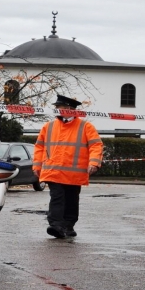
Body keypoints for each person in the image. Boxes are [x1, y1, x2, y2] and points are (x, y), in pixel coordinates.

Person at [33, 94, 103, 238]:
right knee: (57, 197)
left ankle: (68, 226)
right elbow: (39, 147)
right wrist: (37, 166)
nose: (57, 110)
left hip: (74, 174)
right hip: (53, 171)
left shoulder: (86, 126)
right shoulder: (48, 126)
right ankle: (56, 225)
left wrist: (94, 163)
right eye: (57, 108)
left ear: (70, 109)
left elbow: (96, 145)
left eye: (59, 107)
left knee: (71, 199)